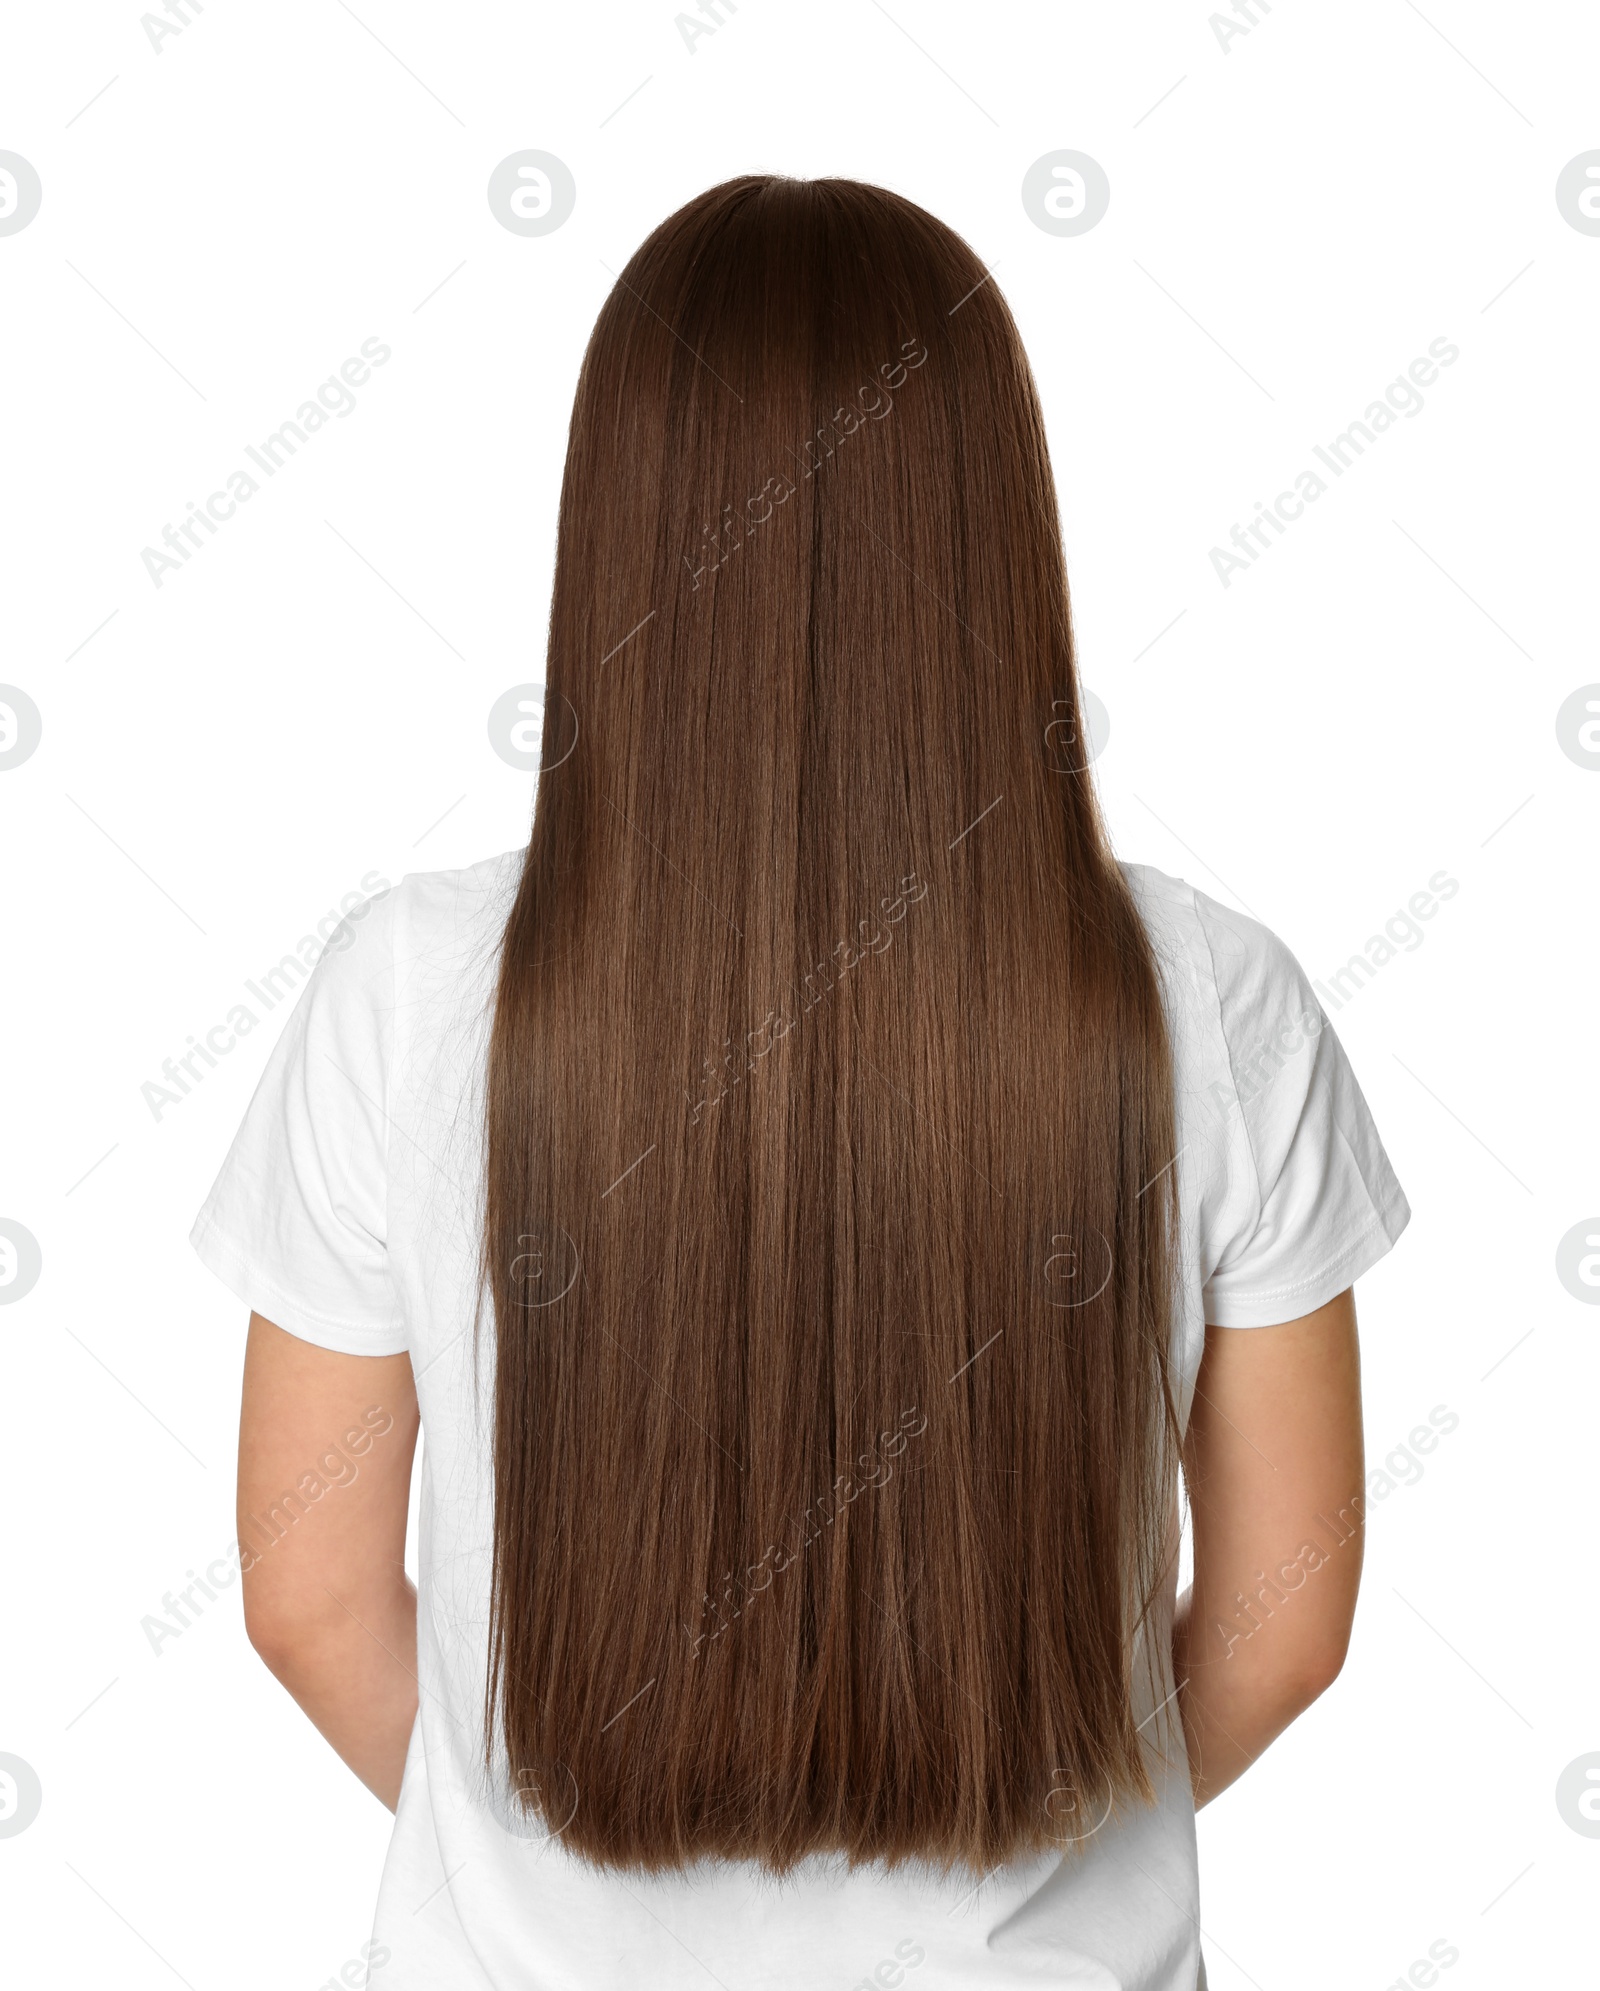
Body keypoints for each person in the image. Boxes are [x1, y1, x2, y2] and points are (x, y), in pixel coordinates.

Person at [192, 175, 1409, 1990]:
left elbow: (305, 1600)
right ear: (997, 532)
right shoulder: (1215, 1000)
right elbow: (1286, 1624)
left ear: (617, 528)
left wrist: (514, 1871)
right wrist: (1053, 1834)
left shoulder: (407, 989)